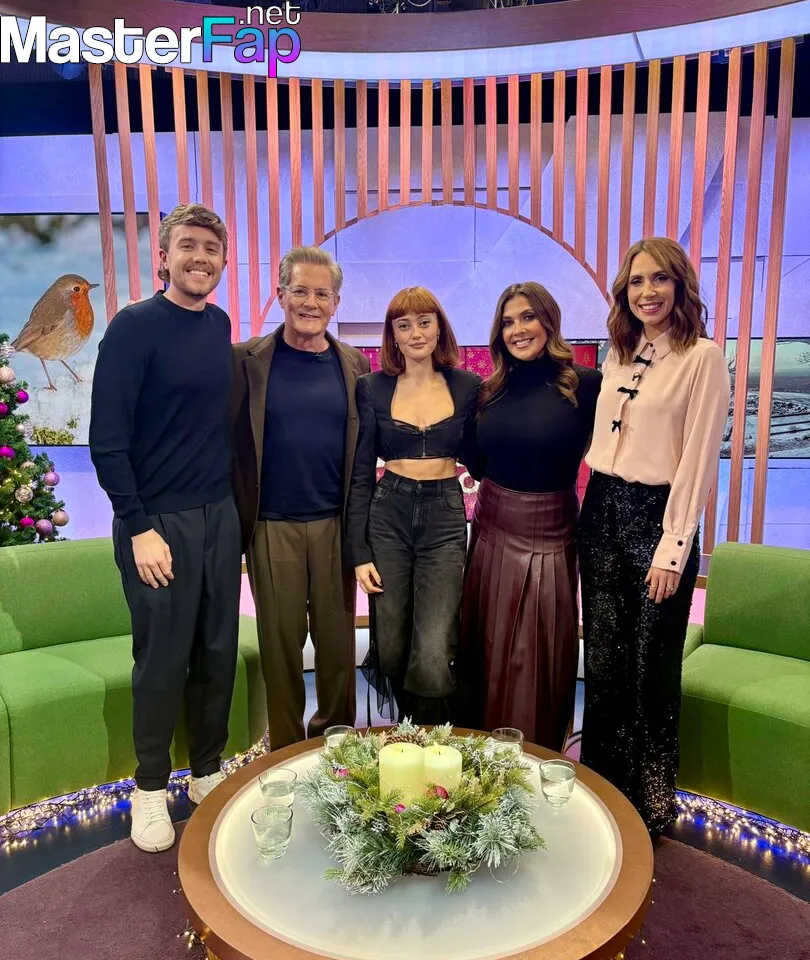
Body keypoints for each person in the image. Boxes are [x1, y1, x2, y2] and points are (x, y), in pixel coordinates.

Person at [89, 203, 241, 853]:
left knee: (216, 650)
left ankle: (206, 771)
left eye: (211, 248)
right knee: (161, 658)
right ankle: (150, 788)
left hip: (218, 515)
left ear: (223, 261)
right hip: (157, 523)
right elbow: (107, 441)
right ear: (163, 257)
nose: (200, 258)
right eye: (188, 246)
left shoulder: (219, 325)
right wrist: (138, 526)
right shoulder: (133, 328)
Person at [579, 237, 730, 835]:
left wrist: (674, 548)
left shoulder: (703, 358)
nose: (648, 292)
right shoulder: (618, 353)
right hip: (601, 510)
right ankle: (602, 789)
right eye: (637, 281)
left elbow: (698, 460)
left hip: (657, 516)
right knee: (604, 659)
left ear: (680, 286)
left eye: (660, 279)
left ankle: (648, 803)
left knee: (651, 664)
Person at [231, 246, 370, 752]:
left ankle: (337, 752)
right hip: (271, 527)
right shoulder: (244, 362)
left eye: (322, 294)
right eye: (301, 291)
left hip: (335, 526)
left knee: (337, 651)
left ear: (336, 303)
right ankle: (286, 753)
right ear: (280, 294)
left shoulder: (355, 365)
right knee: (280, 650)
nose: (311, 303)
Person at [458, 282, 601, 751]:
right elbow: (475, 460)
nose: (517, 330)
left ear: (549, 320)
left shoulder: (587, 385)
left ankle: (533, 757)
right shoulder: (487, 391)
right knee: (486, 645)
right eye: (507, 322)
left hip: (552, 531)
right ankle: (478, 757)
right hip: (491, 528)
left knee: (538, 654)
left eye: (527, 317)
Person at [345, 287, 480, 725]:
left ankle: (434, 738)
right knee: (392, 639)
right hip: (389, 513)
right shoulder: (371, 388)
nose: (416, 333)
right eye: (404, 325)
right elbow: (361, 473)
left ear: (439, 327)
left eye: (424, 322)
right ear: (393, 336)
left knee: (435, 644)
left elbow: (481, 453)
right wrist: (358, 551)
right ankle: (405, 734)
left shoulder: (467, 385)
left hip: (444, 514)